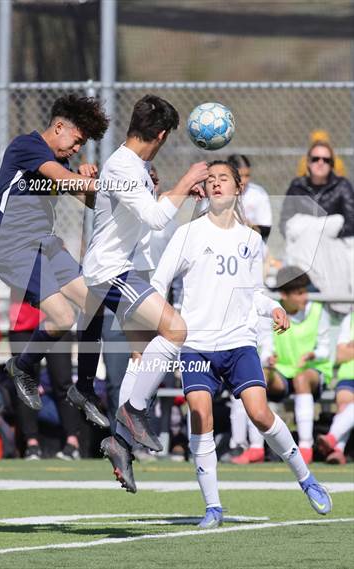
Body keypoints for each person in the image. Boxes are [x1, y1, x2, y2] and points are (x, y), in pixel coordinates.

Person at [151, 160, 332, 528]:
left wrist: (274, 308)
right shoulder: (188, 234)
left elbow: (254, 294)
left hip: (237, 342)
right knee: (199, 414)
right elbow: (158, 282)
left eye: (224, 179)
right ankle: (213, 507)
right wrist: (164, 322)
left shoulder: (251, 239)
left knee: (260, 413)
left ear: (238, 189)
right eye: (211, 179)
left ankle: (306, 478)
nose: (216, 184)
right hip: (197, 344)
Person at [81, 94, 208, 492]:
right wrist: (185, 183)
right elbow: (154, 220)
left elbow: (142, 211)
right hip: (110, 272)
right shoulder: (122, 166)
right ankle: (134, 411)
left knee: (145, 352)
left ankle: (119, 443)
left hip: (122, 270)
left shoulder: (134, 164)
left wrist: (177, 193)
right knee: (176, 330)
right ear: (162, 134)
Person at [0, 93, 110, 429]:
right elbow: (65, 179)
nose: (76, 149)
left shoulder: (60, 164)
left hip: (45, 245)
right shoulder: (26, 146)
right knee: (62, 316)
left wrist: (88, 183)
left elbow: (86, 201)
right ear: (59, 127)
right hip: (13, 247)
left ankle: (83, 389)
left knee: (95, 303)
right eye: (77, 141)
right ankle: (23, 365)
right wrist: (90, 182)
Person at [262, 266, 333, 464]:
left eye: (305, 291)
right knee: (258, 378)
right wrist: (269, 359)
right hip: (283, 372)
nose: (305, 297)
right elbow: (266, 346)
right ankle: (255, 448)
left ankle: (305, 446)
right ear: (284, 295)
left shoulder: (318, 310)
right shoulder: (272, 311)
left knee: (302, 379)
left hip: (313, 372)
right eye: (300, 293)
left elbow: (326, 350)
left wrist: (313, 355)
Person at [8, 297, 81, 460]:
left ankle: (72, 441)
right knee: (25, 384)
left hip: (57, 319)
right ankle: (31, 444)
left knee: (63, 381)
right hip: (23, 323)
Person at [280, 140, 354, 238]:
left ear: (331, 164)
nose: (320, 162)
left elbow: (351, 223)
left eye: (326, 160)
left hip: (334, 244)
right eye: (315, 159)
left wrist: (324, 234)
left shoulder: (342, 186)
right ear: (308, 162)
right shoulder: (297, 186)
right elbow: (285, 223)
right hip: (303, 244)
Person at [317, 310, 354, 464]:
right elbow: (340, 355)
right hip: (349, 374)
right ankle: (338, 449)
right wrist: (346, 351)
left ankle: (334, 442)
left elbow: (347, 351)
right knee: (344, 401)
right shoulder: (350, 318)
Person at [227, 154, 272, 242]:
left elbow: (266, 230)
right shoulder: (217, 192)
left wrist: (248, 226)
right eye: (240, 176)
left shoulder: (258, 193)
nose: (244, 181)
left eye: (247, 176)